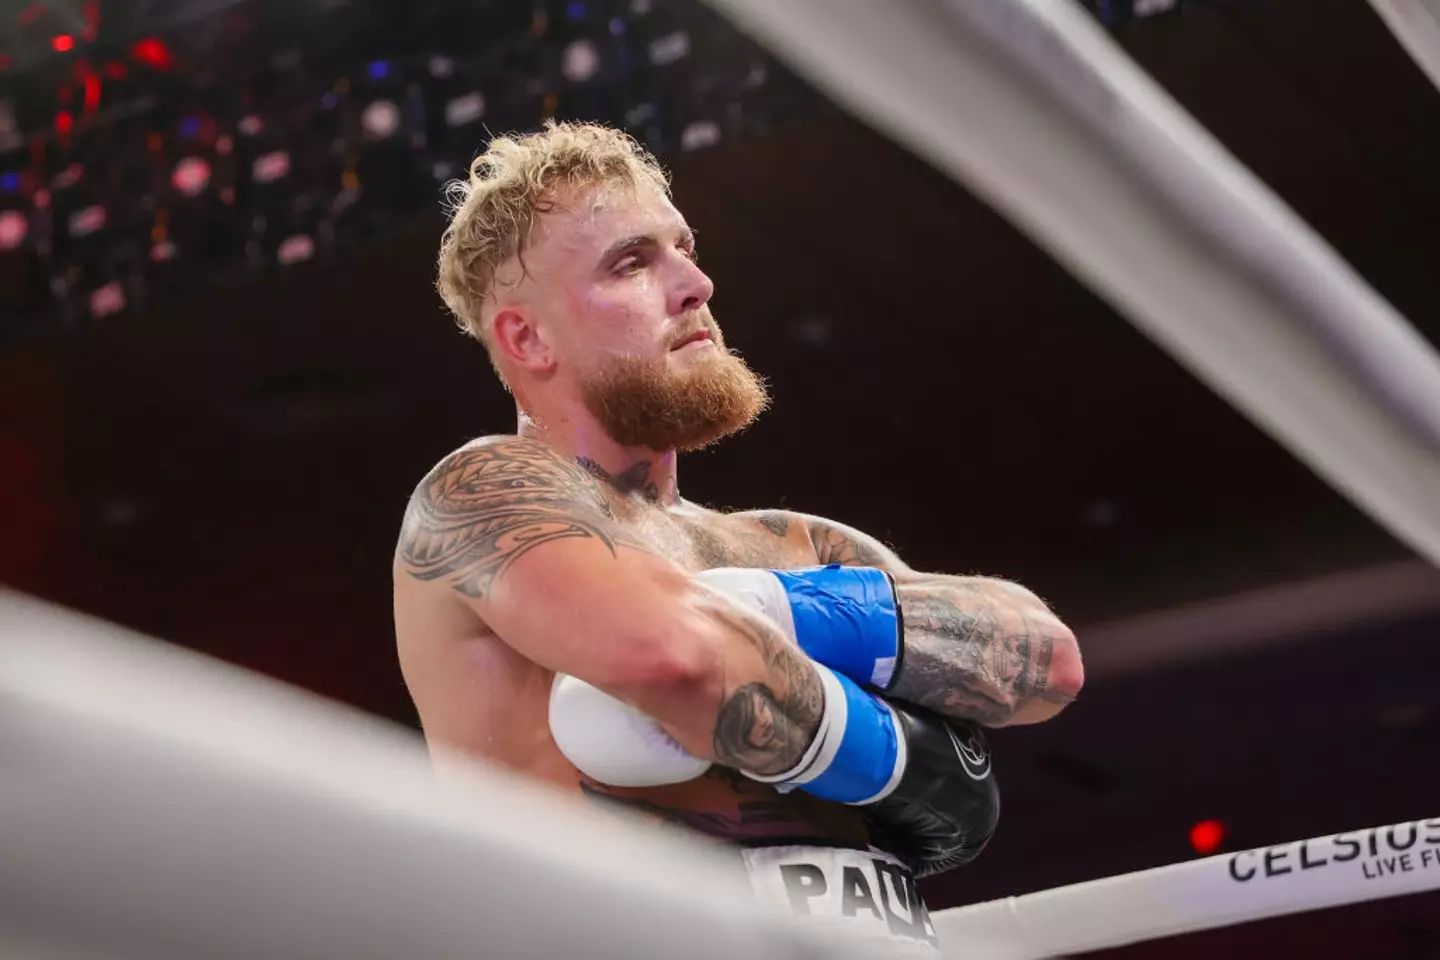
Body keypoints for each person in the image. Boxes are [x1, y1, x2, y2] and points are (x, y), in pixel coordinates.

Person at [394, 121, 1084, 955]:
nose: (695, 283)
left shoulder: (789, 546)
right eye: (631, 262)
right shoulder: (484, 494)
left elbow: (1043, 662)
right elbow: (675, 661)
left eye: (683, 248)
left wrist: (758, 610)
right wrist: (921, 759)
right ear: (526, 338)